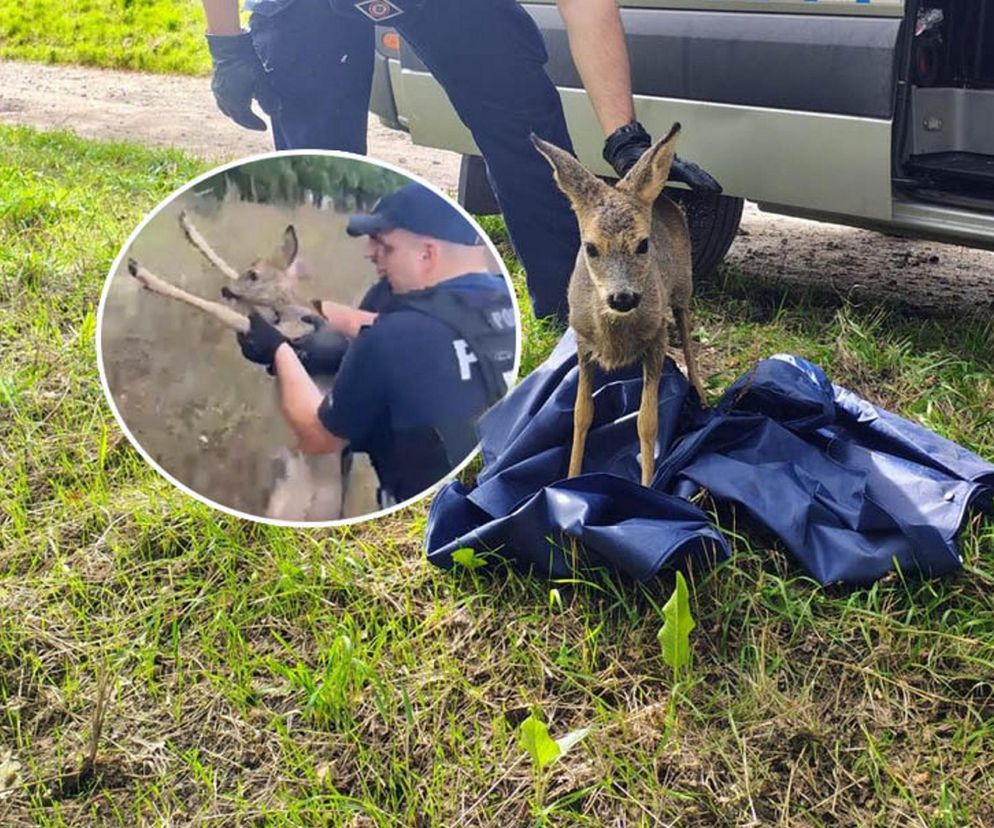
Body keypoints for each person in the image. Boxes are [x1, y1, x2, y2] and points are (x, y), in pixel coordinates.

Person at [198, 0, 719, 321]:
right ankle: (330, 317)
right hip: (311, 11)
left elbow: (585, 4)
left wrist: (624, 138)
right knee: (319, 163)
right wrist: (226, 44)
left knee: (526, 133)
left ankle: (573, 316)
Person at [236, 182, 517, 507]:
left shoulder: (391, 339)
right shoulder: (500, 300)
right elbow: (431, 340)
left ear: (427, 254)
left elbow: (318, 437)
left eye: (385, 246)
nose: (370, 253)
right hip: (497, 486)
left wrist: (278, 349)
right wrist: (326, 326)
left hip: (430, 508)